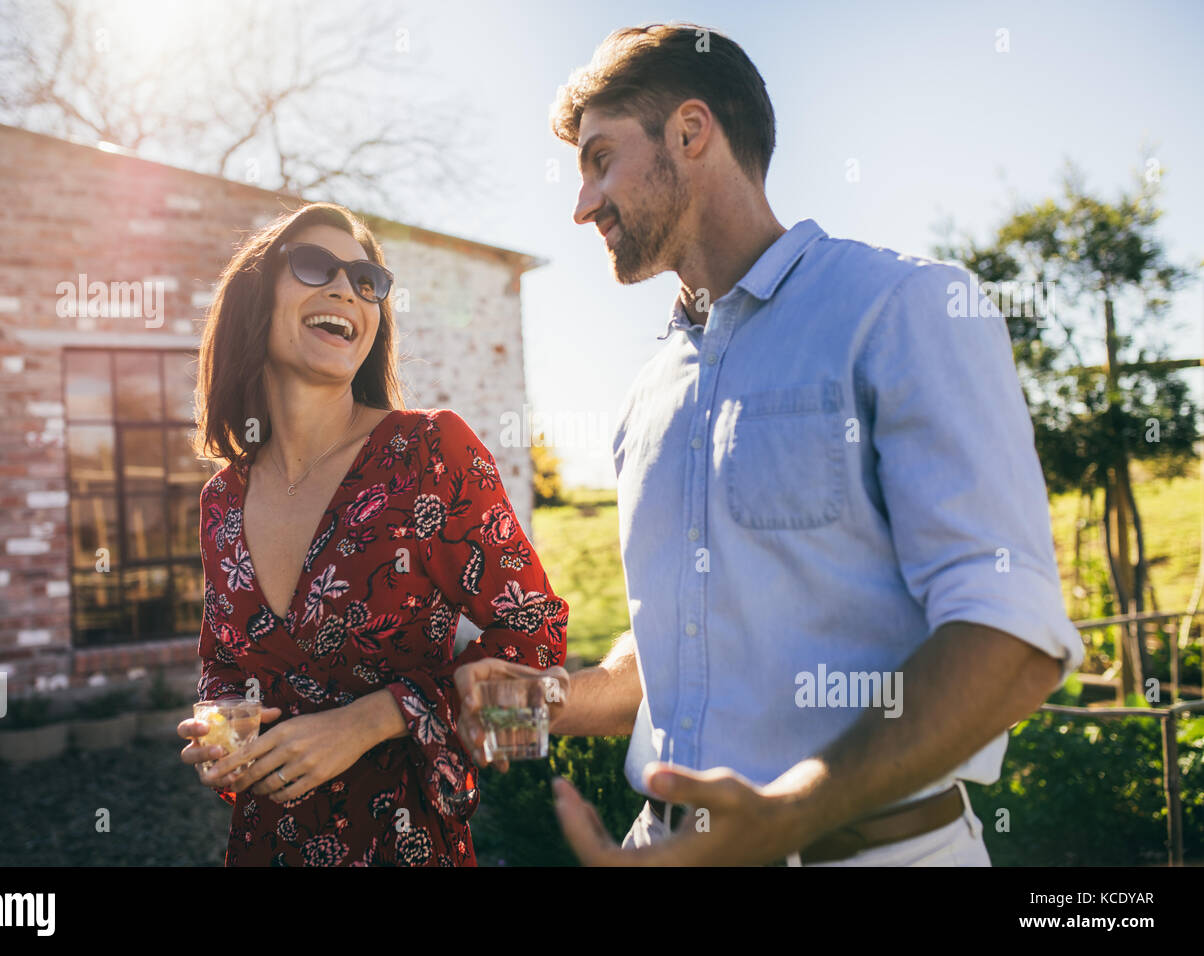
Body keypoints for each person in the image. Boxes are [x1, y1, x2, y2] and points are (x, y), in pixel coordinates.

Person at [456, 23, 1083, 866]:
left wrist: (788, 814)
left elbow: (1013, 634)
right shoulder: (647, 393)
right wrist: (552, 696)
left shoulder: (904, 308)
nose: (582, 204)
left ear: (690, 131)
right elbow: (669, 652)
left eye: (601, 159)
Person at [176, 201, 568, 866]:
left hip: (404, 844)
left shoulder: (429, 452)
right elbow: (224, 666)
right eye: (313, 267)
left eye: (367, 282)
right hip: (264, 845)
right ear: (254, 297)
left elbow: (537, 638)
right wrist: (220, 732)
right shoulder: (222, 499)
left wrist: (377, 718)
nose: (346, 291)